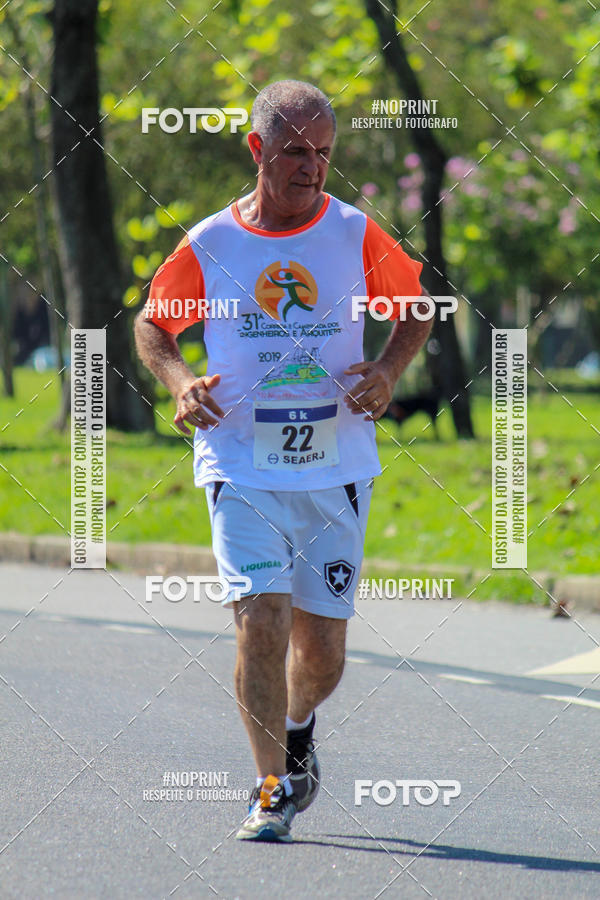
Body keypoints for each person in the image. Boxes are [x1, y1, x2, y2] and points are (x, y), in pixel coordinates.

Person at [135, 79, 432, 842]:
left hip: (334, 465)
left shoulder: (355, 232)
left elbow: (417, 309)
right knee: (259, 622)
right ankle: (270, 786)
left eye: (325, 153)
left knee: (322, 651)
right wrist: (179, 383)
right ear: (258, 150)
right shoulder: (211, 242)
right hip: (240, 462)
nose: (313, 168)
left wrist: (389, 373)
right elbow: (154, 326)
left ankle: (299, 731)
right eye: (297, 152)